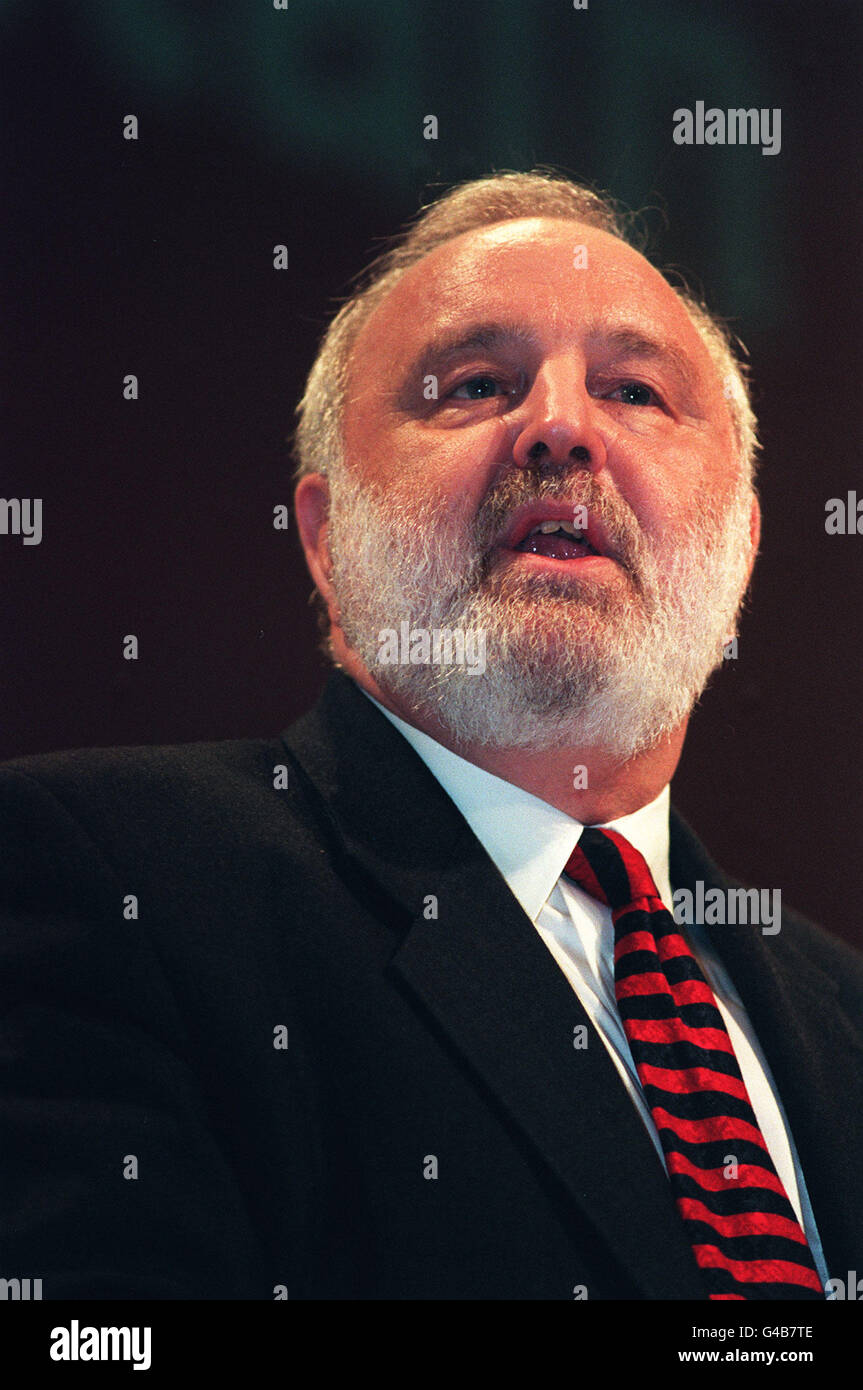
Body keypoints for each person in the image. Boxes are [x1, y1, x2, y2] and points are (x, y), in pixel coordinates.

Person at [2, 172, 861, 1302]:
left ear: (743, 543)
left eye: (637, 391)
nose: (559, 427)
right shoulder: (107, 880)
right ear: (325, 537)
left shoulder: (840, 1013)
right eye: (473, 384)